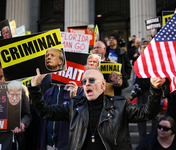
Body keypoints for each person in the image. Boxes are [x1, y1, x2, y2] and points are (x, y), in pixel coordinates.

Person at [28, 67, 165, 150]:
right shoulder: (74, 106)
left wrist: (155, 89)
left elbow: (148, 112)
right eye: (84, 82)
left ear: (103, 85)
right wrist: (34, 87)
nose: (87, 84)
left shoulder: (120, 106)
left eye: (92, 80)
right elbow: (44, 112)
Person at [0, 63, 31, 150]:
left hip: (10, 140)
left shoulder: (20, 88)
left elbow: (27, 115)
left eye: (0, 65)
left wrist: (22, 123)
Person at [132, 39, 157, 142]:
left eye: (147, 47)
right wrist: (134, 85)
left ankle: (154, 138)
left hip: (153, 92)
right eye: (143, 47)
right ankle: (143, 140)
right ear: (140, 49)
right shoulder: (137, 61)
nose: (145, 49)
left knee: (155, 116)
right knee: (140, 117)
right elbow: (135, 77)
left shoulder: (155, 60)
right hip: (140, 93)